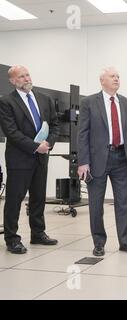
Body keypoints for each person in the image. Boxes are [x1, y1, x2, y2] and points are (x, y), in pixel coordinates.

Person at [77, 67, 127, 256]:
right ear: (102, 81)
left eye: (118, 76)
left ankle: (126, 242)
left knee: (124, 202)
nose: (116, 79)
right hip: (97, 160)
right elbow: (83, 134)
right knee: (96, 203)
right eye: (112, 76)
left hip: (122, 158)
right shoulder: (89, 102)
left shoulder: (126, 103)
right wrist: (83, 162)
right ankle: (99, 242)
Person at [0, 65, 60, 254]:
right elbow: (11, 132)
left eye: (27, 75)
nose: (26, 79)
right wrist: (35, 146)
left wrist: (48, 144)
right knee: (14, 199)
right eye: (21, 76)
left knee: (38, 196)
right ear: (13, 81)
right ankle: (12, 239)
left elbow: (55, 125)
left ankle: (38, 233)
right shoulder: (6, 102)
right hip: (19, 158)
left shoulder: (44, 99)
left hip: (41, 157)